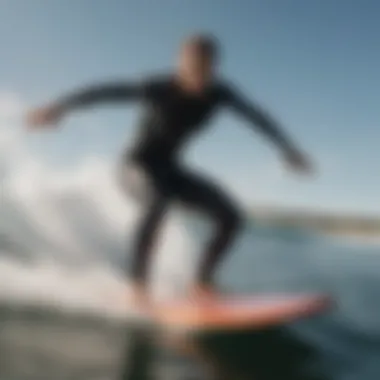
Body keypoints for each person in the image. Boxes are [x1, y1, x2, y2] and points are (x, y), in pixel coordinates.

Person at [26, 34, 313, 305]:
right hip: (134, 166)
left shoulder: (220, 93)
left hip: (170, 169)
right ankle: (138, 287)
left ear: (214, 68)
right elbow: (107, 92)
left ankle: (201, 283)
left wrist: (287, 148)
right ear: (180, 65)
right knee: (158, 201)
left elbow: (256, 116)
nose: (199, 77)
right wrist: (59, 107)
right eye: (193, 69)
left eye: (206, 70)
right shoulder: (159, 87)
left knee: (232, 216)